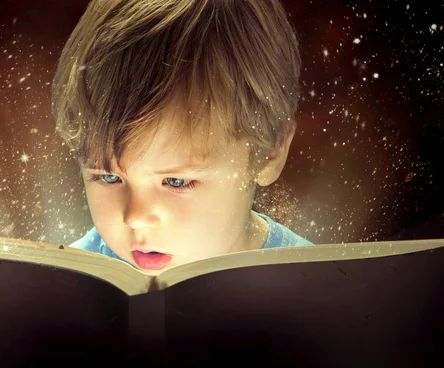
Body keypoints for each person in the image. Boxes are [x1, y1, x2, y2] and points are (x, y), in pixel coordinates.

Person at [51, 0, 313, 271]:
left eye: (175, 181)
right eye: (109, 177)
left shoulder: (321, 285)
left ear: (270, 152)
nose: (136, 218)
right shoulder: (64, 280)